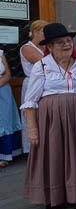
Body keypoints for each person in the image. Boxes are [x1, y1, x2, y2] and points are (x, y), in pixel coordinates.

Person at [21, 23, 76, 209]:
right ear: (50, 46)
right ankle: (55, 198)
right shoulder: (42, 66)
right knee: (54, 156)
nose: (66, 45)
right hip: (52, 121)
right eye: (60, 42)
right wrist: (32, 128)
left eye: (68, 41)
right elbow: (30, 101)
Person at [19, 19, 48, 155]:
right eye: (44, 31)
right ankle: (31, 149)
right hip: (32, 84)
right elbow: (44, 63)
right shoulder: (27, 48)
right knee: (31, 116)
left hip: (45, 85)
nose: (47, 34)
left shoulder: (47, 46)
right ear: (36, 32)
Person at [0, 49, 22, 166]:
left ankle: (4, 155)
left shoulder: (0, 53)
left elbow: (8, 74)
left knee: (4, 121)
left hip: (3, 91)